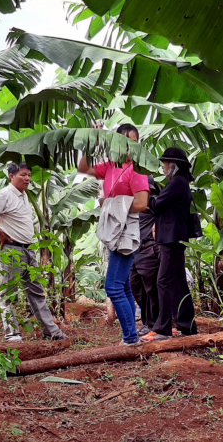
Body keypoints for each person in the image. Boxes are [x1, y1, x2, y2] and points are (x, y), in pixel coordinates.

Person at [0, 162, 67, 343]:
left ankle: (52, 332)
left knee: (37, 293)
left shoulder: (23, 195)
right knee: (8, 294)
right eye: (23, 175)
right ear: (11, 176)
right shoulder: (5, 195)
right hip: (12, 250)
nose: (27, 179)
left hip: (28, 250)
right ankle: (13, 335)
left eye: (29, 175)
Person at [78, 123, 149, 346]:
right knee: (123, 285)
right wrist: (92, 140)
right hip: (114, 231)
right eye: (123, 141)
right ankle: (132, 336)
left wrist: (109, 203)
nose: (127, 147)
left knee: (113, 286)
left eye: (132, 142)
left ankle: (130, 337)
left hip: (127, 232)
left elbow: (142, 203)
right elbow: (83, 167)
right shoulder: (110, 166)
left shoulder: (137, 170)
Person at [142, 147, 198, 342]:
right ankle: (187, 325)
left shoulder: (176, 183)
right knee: (178, 283)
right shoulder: (180, 183)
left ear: (174, 165)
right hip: (174, 238)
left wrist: (147, 196)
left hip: (171, 239)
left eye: (166, 164)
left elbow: (157, 206)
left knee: (163, 281)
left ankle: (163, 329)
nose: (164, 168)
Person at [130, 177, 161, 336]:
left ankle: (155, 324)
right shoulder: (136, 205)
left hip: (151, 248)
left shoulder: (154, 202)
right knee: (137, 286)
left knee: (151, 289)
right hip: (136, 250)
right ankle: (148, 322)